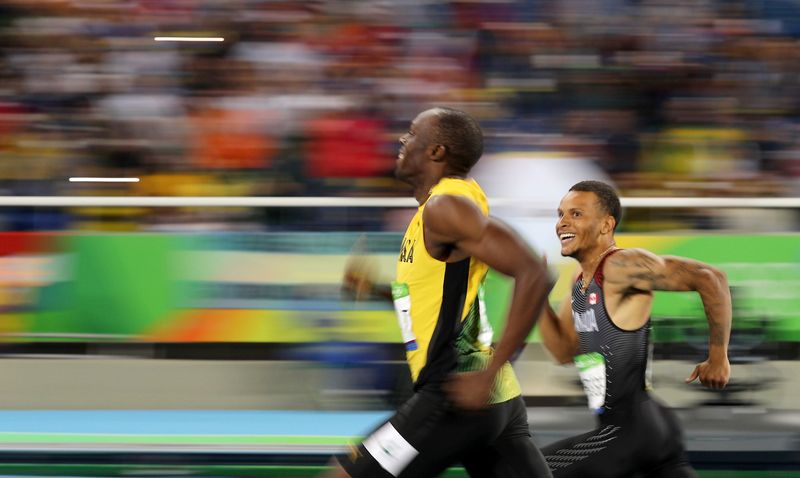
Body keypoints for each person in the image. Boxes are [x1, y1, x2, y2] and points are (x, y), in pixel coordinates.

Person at [325, 107, 554, 478]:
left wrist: (492, 370)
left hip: (453, 394)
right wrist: (375, 291)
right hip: (495, 398)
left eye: (412, 133)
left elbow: (535, 273)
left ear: (437, 152)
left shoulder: (445, 207)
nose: (402, 140)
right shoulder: (438, 211)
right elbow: (437, 299)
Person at [538, 180, 732, 477]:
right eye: (560, 213)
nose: (562, 222)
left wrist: (718, 356)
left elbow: (710, 277)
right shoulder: (579, 284)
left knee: (524, 470)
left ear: (606, 225)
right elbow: (564, 352)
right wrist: (537, 298)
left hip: (629, 432)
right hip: (647, 427)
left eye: (576, 214)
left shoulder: (620, 265)